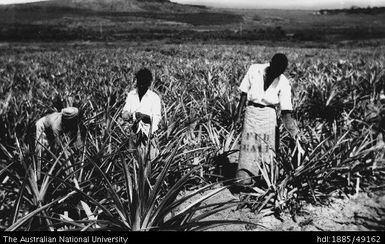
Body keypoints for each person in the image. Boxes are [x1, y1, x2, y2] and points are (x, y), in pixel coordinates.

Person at [233, 53, 302, 186]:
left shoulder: (283, 82)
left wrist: (293, 130)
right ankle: (244, 173)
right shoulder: (255, 69)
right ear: (270, 64)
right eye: (275, 70)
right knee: (248, 146)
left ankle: (264, 176)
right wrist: (238, 113)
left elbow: (286, 110)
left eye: (279, 72)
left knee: (267, 148)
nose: (276, 74)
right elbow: (244, 92)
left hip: (268, 116)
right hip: (251, 113)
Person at [122, 68, 162, 161]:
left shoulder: (154, 97)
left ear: (149, 83)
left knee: (149, 162)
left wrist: (146, 117)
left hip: (148, 136)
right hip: (134, 134)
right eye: (140, 82)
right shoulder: (131, 95)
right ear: (137, 81)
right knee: (132, 161)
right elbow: (125, 111)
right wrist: (126, 114)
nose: (142, 85)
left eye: (145, 83)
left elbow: (157, 118)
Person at [35, 107, 83, 180]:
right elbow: (58, 146)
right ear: (67, 120)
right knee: (41, 151)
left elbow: (76, 140)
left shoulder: (73, 122)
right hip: (42, 126)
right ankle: (39, 176)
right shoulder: (56, 126)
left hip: (50, 128)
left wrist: (77, 154)